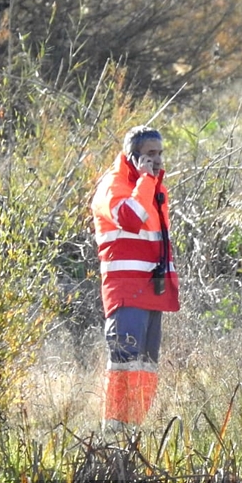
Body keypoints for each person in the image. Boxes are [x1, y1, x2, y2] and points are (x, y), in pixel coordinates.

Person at [90, 125, 180, 432]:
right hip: (127, 293)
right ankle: (112, 436)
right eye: (150, 154)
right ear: (133, 156)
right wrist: (144, 180)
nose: (156, 160)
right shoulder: (113, 186)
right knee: (124, 363)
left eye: (159, 153)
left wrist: (147, 181)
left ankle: (133, 434)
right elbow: (128, 218)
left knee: (145, 367)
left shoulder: (153, 186)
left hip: (150, 292)